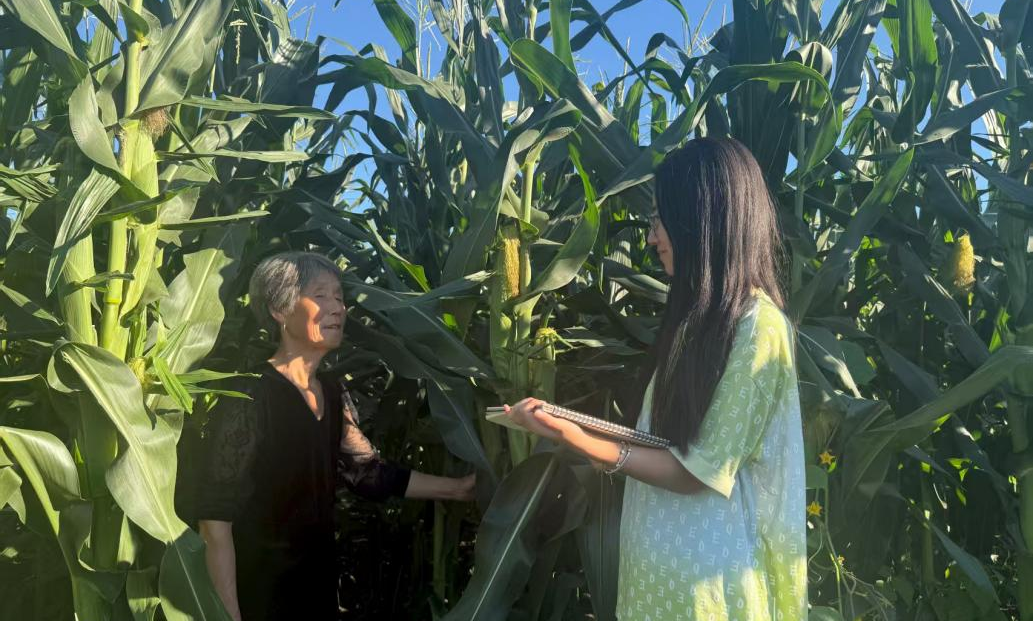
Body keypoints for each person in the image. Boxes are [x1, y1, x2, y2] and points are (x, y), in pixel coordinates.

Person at [503, 137, 807, 620]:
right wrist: (570, 426)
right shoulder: (695, 325)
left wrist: (575, 437)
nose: (650, 238)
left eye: (660, 220)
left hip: (708, 594)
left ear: (702, 220)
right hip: (653, 587)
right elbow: (665, 445)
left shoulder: (758, 326)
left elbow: (698, 472)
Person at [195, 251, 476, 621]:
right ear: (279, 310)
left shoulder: (331, 390)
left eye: (340, 297)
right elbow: (215, 520)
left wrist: (459, 489)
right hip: (258, 592)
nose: (338, 308)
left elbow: (367, 473)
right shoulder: (250, 394)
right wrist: (227, 614)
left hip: (316, 585)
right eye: (320, 296)